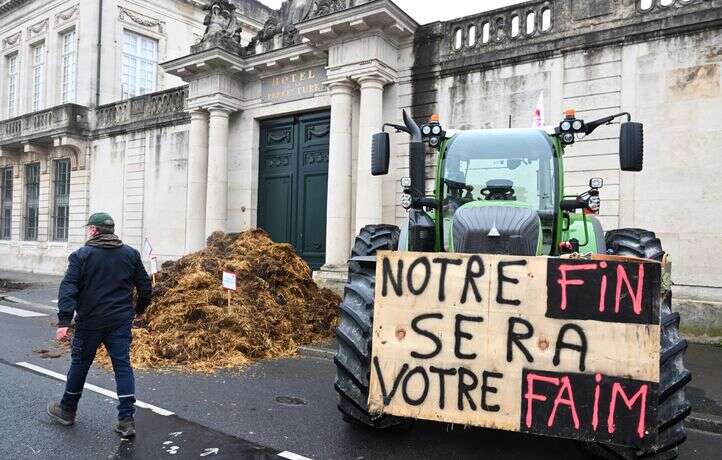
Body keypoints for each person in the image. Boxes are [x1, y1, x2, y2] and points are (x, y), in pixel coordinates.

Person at [47, 212, 152, 438]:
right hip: (120, 321)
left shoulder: (81, 255)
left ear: (94, 230)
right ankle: (126, 420)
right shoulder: (130, 254)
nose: (88, 232)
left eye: (89, 229)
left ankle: (67, 411)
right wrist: (139, 311)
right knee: (122, 366)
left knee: (80, 364)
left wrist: (64, 321)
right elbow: (145, 287)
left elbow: (68, 289)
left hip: (90, 321)